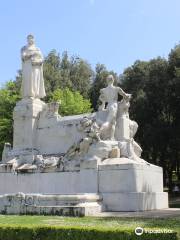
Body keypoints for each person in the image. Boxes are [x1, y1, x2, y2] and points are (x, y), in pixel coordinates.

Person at [99, 75, 131, 140]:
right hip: (113, 106)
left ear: (107, 81)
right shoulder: (117, 89)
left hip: (108, 106)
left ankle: (112, 137)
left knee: (112, 123)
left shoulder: (103, 90)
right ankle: (98, 132)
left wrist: (103, 103)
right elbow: (125, 95)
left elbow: (102, 99)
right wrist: (128, 95)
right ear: (113, 80)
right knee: (109, 122)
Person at [21, 34, 46, 99]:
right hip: (27, 67)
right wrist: (31, 54)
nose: (30, 39)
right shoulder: (24, 48)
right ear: (27, 40)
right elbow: (23, 57)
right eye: (29, 38)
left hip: (36, 67)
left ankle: (36, 95)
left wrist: (37, 62)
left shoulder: (37, 49)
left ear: (34, 39)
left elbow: (42, 59)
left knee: (35, 80)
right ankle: (29, 95)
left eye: (32, 38)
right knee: (28, 80)